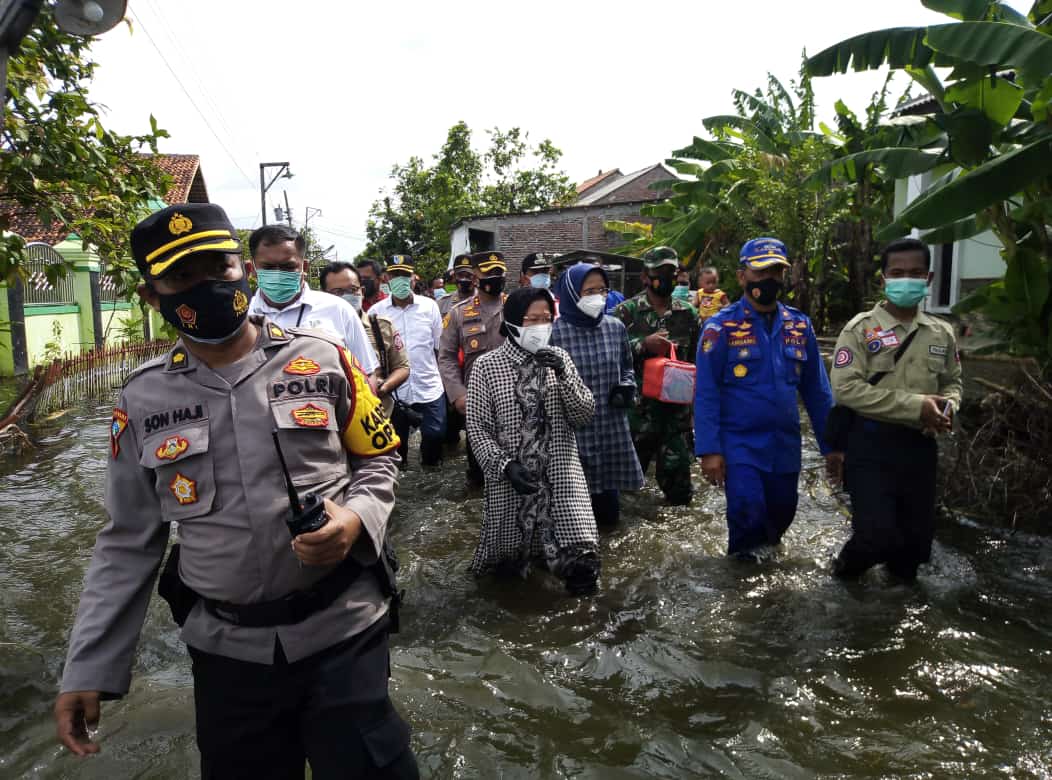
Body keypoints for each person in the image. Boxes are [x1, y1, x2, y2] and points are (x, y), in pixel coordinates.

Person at [53, 203, 417, 779]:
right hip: (226, 654)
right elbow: (127, 540)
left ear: (243, 270)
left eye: (218, 268)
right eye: (180, 278)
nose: (207, 287)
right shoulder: (140, 400)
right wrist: (87, 667)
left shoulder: (325, 359)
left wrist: (354, 520)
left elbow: (379, 459)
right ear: (152, 297)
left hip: (345, 630)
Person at [694, 237, 837, 559]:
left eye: (775, 271)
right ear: (742, 276)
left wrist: (833, 446)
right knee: (747, 512)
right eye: (760, 272)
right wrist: (709, 450)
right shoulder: (721, 328)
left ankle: (769, 569)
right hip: (740, 445)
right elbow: (706, 391)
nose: (769, 279)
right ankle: (742, 586)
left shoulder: (799, 325)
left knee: (783, 512)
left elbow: (818, 392)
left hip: (784, 445)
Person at [830, 238, 963, 581]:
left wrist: (947, 407)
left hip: (920, 448)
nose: (907, 279)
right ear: (884, 279)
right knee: (875, 537)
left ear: (929, 279)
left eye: (916, 273)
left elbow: (953, 382)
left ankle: (895, 614)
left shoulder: (941, 332)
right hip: (871, 446)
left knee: (913, 550)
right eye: (898, 273)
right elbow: (845, 389)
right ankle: (841, 578)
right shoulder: (859, 329)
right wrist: (916, 406)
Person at [465, 286, 600, 594]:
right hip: (511, 484)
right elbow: (478, 428)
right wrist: (505, 465)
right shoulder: (486, 367)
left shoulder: (560, 359)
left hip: (562, 479)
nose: (541, 326)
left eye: (547, 318)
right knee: (507, 578)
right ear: (512, 322)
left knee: (582, 567)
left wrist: (564, 374)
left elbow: (583, 414)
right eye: (532, 320)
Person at [552, 263, 644, 525]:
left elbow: (627, 367)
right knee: (574, 517)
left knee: (609, 515)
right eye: (589, 290)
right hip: (572, 435)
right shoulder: (553, 333)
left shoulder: (615, 328)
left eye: (602, 290)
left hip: (610, 429)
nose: (598, 297)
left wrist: (628, 388)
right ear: (570, 292)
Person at [614, 246, 700, 505]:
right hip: (638, 415)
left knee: (680, 495)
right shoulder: (625, 313)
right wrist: (642, 344)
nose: (666, 277)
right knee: (625, 492)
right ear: (645, 277)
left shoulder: (688, 314)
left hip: (676, 415)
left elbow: (696, 363)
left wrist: (696, 414)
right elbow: (610, 356)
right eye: (659, 272)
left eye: (671, 272)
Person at [247, 225, 380, 387]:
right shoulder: (241, 316)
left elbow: (367, 374)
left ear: (305, 267)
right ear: (251, 269)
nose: (278, 274)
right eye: (268, 267)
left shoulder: (338, 310)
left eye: (288, 267)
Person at [439, 251, 507, 487]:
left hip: (513, 398)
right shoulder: (458, 313)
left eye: (499, 272)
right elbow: (446, 356)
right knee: (478, 469)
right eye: (489, 273)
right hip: (475, 401)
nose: (495, 278)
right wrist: (457, 394)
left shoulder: (517, 307)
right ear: (476, 278)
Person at [371, 255, 447, 468]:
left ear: (413, 278)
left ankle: (431, 476)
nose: (400, 280)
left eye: (405, 275)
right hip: (395, 390)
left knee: (435, 435)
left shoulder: (429, 306)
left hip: (429, 385)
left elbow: (439, 346)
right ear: (387, 278)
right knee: (397, 446)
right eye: (395, 275)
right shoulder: (376, 313)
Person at [320, 261, 410, 417]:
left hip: (377, 417)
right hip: (333, 417)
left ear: (361, 291)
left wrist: (383, 387)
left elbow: (402, 367)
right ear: (324, 295)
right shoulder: (315, 331)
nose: (346, 296)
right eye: (338, 292)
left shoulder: (381, 326)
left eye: (352, 290)